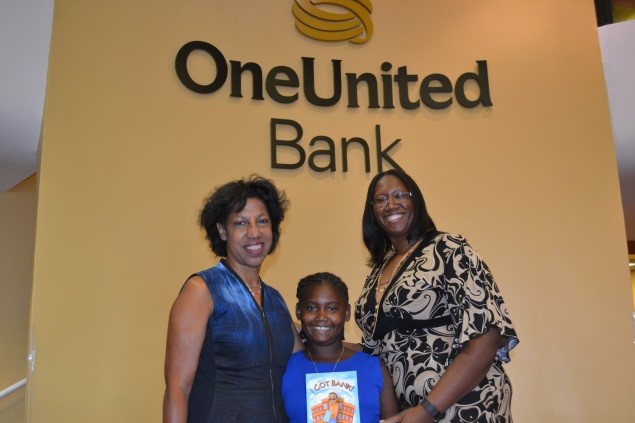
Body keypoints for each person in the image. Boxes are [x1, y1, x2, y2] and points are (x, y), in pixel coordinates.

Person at [354, 169, 519, 423]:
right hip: (410, 413)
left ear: (415, 201)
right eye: (381, 199)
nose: (391, 204)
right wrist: (307, 334)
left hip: (464, 406)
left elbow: (486, 335)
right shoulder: (376, 272)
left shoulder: (449, 249)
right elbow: (374, 350)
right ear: (373, 212)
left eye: (399, 195)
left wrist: (428, 410)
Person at [163, 175, 303, 423]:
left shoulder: (275, 300)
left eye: (262, 221)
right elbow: (177, 388)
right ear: (222, 231)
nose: (254, 232)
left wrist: (367, 354)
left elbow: (305, 363)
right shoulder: (201, 289)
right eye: (240, 223)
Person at [282, 272, 399, 423]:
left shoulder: (374, 368)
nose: (321, 316)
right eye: (311, 307)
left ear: (347, 313)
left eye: (332, 308)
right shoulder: (284, 369)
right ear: (299, 311)